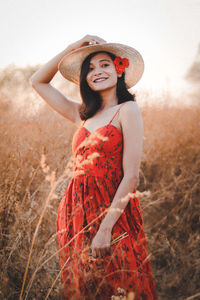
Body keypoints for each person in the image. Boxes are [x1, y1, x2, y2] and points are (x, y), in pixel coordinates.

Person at [30, 35, 157, 300]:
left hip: (112, 214)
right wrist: (71, 48)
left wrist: (106, 229)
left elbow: (131, 176)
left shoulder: (127, 110)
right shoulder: (82, 113)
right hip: (75, 214)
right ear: (85, 79)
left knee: (121, 287)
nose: (97, 71)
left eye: (104, 65)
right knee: (86, 288)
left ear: (118, 69)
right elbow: (37, 81)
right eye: (90, 68)